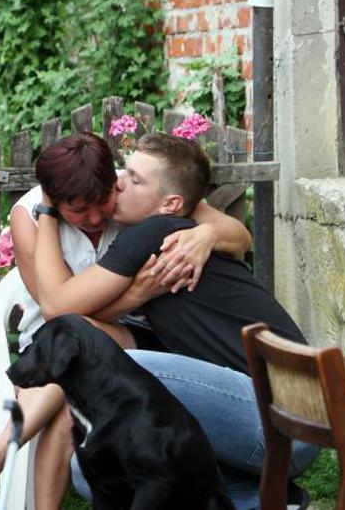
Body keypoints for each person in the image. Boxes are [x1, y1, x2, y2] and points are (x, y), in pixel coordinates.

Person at [0, 133, 253, 507]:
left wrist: (208, 232)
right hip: (52, 342)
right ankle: (1, 458)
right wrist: (135, 293)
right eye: (78, 210)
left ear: (113, 183)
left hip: (131, 339)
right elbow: (59, 311)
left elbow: (240, 237)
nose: (93, 218)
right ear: (53, 200)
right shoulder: (29, 216)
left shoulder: (133, 193)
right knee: (72, 369)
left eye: (101, 203)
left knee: (78, 365)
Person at [34, 132, 318, 510]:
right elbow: (80, 317)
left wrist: (48, 210)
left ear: (170, 204)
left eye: (135, 179)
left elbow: (56, 306)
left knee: (116, 366)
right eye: (124, 171)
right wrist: (136, 296)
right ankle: (257, 499)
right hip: (282, 423)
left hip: (283, 417)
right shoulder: (172, 229)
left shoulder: (154, 232)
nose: (119, 182)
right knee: (94, 472)